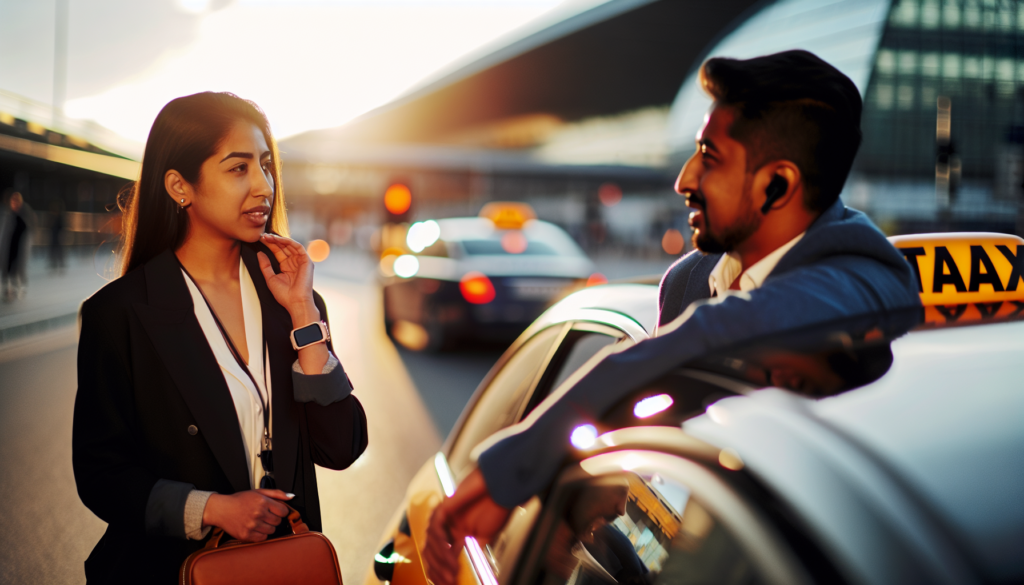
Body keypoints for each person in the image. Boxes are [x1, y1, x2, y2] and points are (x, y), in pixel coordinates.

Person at [423, 50, 922, 585]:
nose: (684, 179)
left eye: (710, 156)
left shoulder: (870, 284)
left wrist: (513, 467)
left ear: (777, 185)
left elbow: (715, 333)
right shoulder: (688, 281)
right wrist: (576, 507)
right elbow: (655, 406)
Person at [72, 92, 368, 584]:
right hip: (170, 570)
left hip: (284, 567)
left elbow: (342, 447)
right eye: (237, 169)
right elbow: (101, 475)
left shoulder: (291, 301)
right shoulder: (119, 314)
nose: (262, 186)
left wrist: (303, 315)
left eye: (266, 166)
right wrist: (209, 509)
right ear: (179, 186)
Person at [1, 191, 30, 301]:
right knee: (8, 269)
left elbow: (27, 236)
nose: (14, 203)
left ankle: (16, 289)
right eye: (13, 201)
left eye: (16, 201)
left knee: (17, 270)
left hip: (19, 250)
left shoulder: (24, 217)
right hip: (8, 249)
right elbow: (4, 235)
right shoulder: (8, 216)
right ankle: (9, 290)